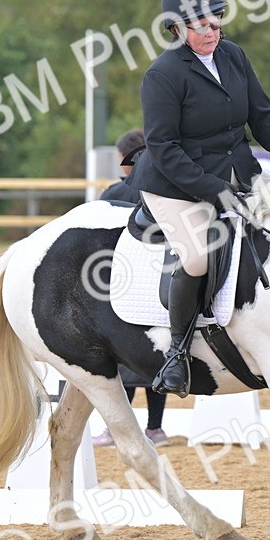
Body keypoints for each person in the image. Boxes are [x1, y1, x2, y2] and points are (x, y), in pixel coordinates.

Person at [127, 0, 270, 397]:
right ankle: (177, 351)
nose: (211, 31)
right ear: (177, 28)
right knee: (197, 257)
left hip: (235, 171)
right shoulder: (162, 75)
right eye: (200, 25)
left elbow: (264, 115)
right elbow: (165, 148)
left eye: (216, 21)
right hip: (173, 182)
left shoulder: (234, 57)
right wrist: (214, 190)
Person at [94, 128, 170, 446]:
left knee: (118, 355)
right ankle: (155, 428)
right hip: (157, 279)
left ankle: (115, 429)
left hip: (119, 279)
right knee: (155, 354)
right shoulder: (163, 194)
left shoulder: (112, 194)